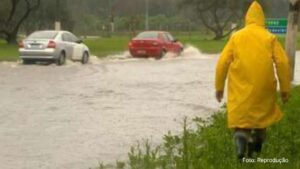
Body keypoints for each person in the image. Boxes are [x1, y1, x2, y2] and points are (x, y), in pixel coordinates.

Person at [215, 1, 291, 160]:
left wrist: (219, 87)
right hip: (264, 88)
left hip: (240, 87)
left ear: (247, 18)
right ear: (262, 19)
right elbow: (283, 63)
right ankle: (256, 144)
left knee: (242, 119)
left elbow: (222, 62)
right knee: (261, 119)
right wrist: (285, 90)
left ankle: (241, 137)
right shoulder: (270, 37)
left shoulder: (236, 37)